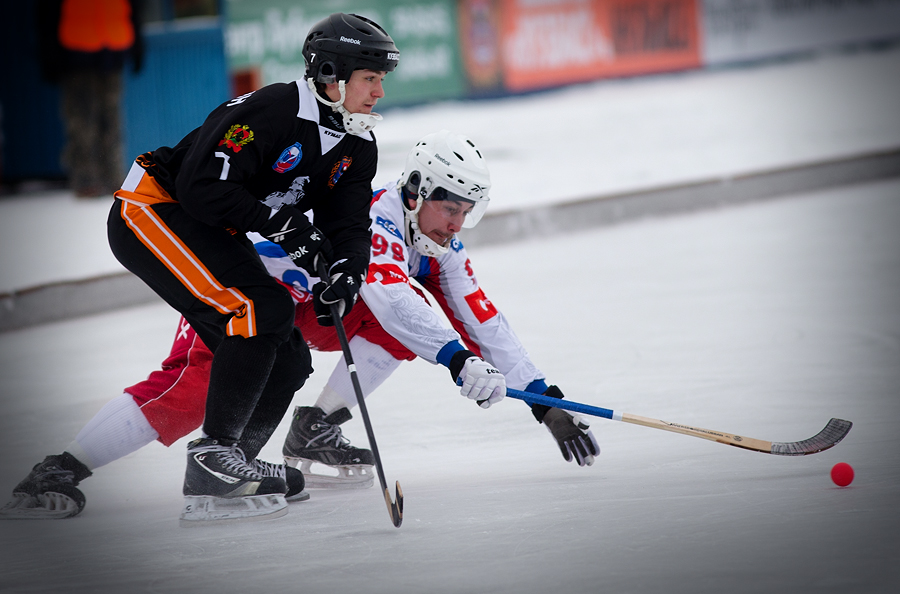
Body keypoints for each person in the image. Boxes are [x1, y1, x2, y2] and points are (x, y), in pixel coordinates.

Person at [0, 131, 598, 519]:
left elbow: (483, 319)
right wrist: (458, 361)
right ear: (414, 192)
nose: (457, 221)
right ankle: (59, 469)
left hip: (306, 309)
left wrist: (546, 403)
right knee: (191, 390)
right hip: (248, 291)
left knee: (406, 329)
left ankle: (309, 430)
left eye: (469, 209)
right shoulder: (377, 220)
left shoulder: (440, 245)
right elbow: (391, 297)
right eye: (449, 205)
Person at [106, 12, 397, 524]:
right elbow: (200, 188)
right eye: (369, 78)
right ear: (330, 73)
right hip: (152, 210)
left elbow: (347, 223)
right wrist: (277, 222)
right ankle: (213, 459)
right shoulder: (270, 111)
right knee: (260, 307)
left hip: (211, 227)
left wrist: (346, 273)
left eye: (381, 80)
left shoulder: (357, 144)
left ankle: (234, 462)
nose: (378, 91)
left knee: (288, 357)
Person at [36, 0, 144, 197]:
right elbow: (47, 11)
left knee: (111, 120)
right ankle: (86, 180)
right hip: (76, 49)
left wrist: (138, 41)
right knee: (81, 122)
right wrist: (50, 51)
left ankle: (114, 178)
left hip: (113, 46)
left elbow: (134, 5)